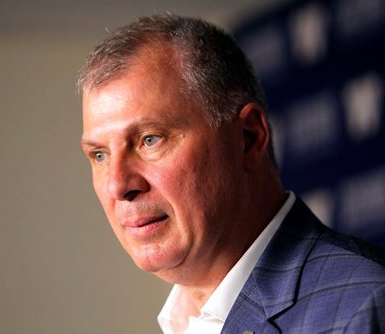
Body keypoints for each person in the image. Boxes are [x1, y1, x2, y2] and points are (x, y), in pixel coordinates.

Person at [78, 14, 385, 333]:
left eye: (150, 139)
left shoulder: (362, 308)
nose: (117, 184)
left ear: (248, 138)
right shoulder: (182, 323)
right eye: (99, 154)